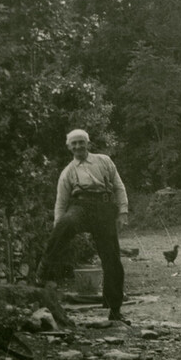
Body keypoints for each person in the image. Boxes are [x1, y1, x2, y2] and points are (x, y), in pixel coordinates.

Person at [36, 129, 131, 323]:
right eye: (74, 144)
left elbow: (119, 186)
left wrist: (123, 212)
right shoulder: (68, 172)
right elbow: (60, 202)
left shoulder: (104, 161)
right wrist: (58, 226)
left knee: (112, 257)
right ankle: (44, 270)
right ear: (69, 147)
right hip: (80, 207)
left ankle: (115, 309)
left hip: (104, 208)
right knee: (66, 223)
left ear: (88, 143)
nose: (78, 146)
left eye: (81, 142)